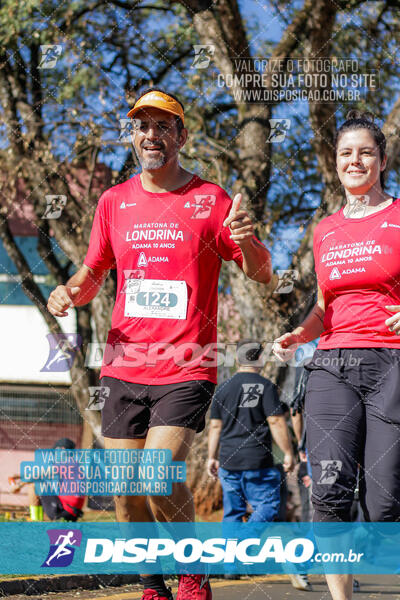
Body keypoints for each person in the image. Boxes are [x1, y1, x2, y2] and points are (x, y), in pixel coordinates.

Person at [47, 88, 273, 600]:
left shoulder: (209, 200)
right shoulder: (113, 203)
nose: (152, 134)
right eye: (142, 125)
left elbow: (262, 275)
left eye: (163, 125)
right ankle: (153, 586)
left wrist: (249, 236)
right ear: (132, 135)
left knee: (156, 474)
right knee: (127, 494)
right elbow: (91, 273)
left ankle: (192, 572)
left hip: (187, 363)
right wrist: (68, 292)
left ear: (180, 136)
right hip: (124, 365)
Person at [273, 110, 400, 600]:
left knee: (384, 502)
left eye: (365, 151)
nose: (355, 160)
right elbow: (325, 307)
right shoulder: (325, 230)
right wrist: (298, 334)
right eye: (346, 152)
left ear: (382, 160)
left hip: (390, 363)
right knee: (326, 487)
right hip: (331, 363)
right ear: (336, 161)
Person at [207, 340, 294, 578]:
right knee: (268, 507)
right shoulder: (266, 387)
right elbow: (276, 421)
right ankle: (240, 548)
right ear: (261, 359)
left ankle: (229, 564)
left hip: (228, 460)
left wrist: (211, 457)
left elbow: (214, 426)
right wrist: (288, 452)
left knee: (232, 512)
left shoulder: (223, 388)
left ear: (237, 359)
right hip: (258, 460)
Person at [10, 438, 85, 522]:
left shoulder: (64, 463)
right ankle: (38, 520)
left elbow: (40, 475)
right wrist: (20, 476)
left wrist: (18, 485)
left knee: (34, 486)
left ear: (62, 449)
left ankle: (35, 520)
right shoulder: (74, 464)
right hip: (73, 514)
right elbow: (43, 475)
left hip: (62, 512)